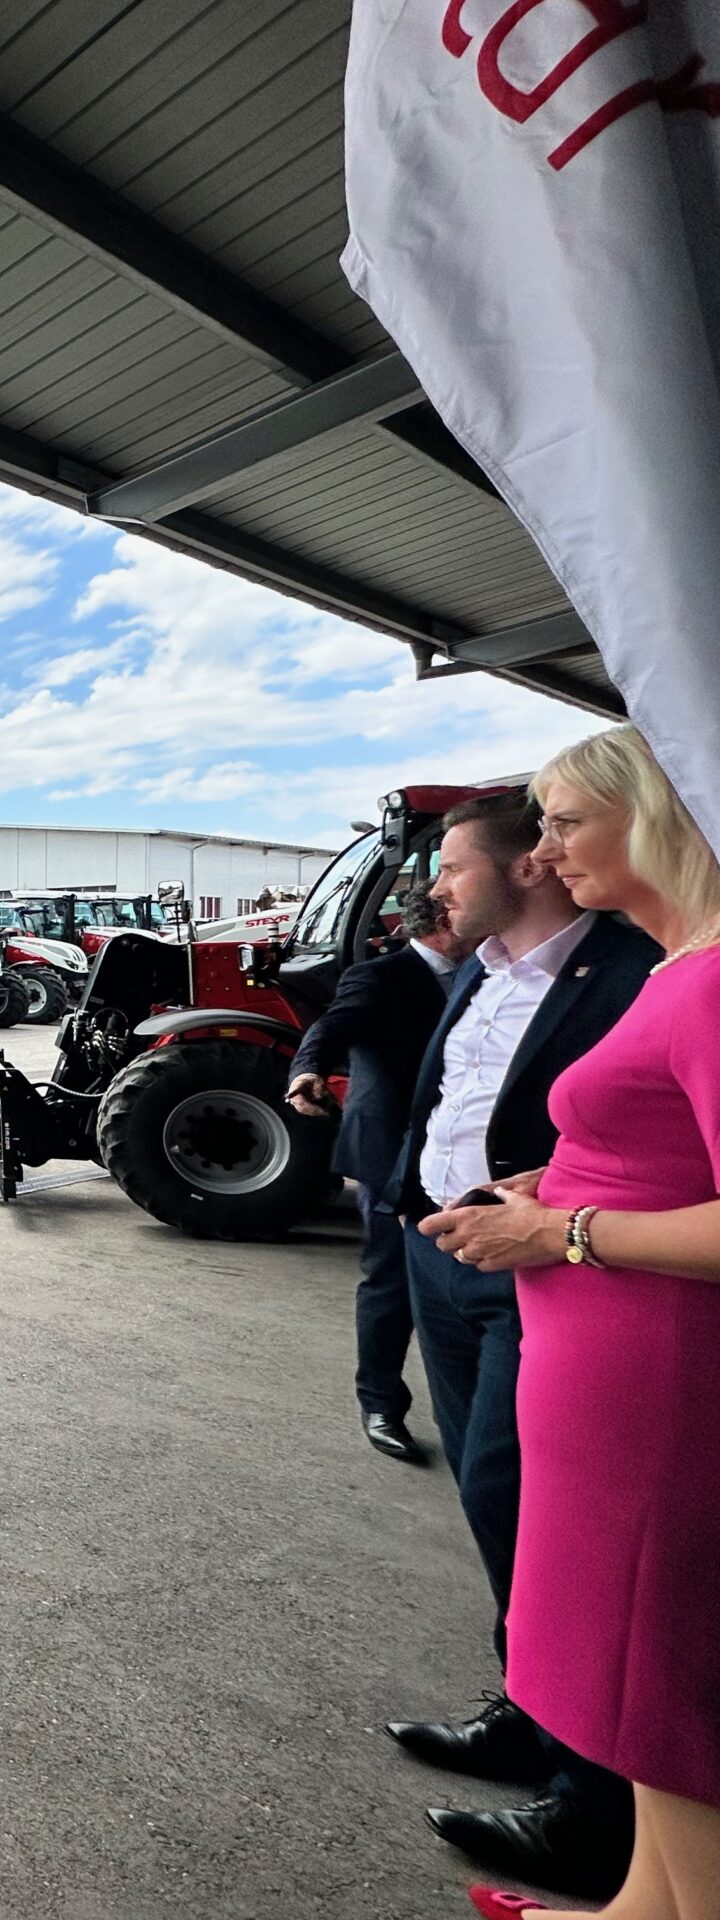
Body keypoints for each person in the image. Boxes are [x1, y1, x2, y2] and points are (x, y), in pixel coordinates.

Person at [419, 727, 720, 1920]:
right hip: (610, 1385)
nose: (543, 850)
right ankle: (639, 1905)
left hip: (656, 1393)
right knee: (639, 1692)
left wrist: (565, 1230)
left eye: (563, 822)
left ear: (654, 812)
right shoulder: (675, 966)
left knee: (662, 1682)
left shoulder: (707, 980)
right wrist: (560, 1178)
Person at [380, 790, 661, 1900]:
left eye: (452, 865)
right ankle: (532, 1710)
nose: (436, 888)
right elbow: (445, 1096)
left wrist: (550, 1226)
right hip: (445, 1255)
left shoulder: (635, 973)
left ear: (527, 868)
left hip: (542, 1269)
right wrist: (408, 1201)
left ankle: (597, 1803)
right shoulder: (484, 971)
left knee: (547, 1515)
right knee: (491, 1497)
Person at [286, 888, 471, 1464]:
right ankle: (381, 1404)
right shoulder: (381, 976)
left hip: (462, 1151)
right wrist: (307, 1072)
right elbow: (329, 1029)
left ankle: (469, 1411)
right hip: (392, 1150)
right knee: (392, 1281)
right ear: (444, 922)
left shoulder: (489, 973)